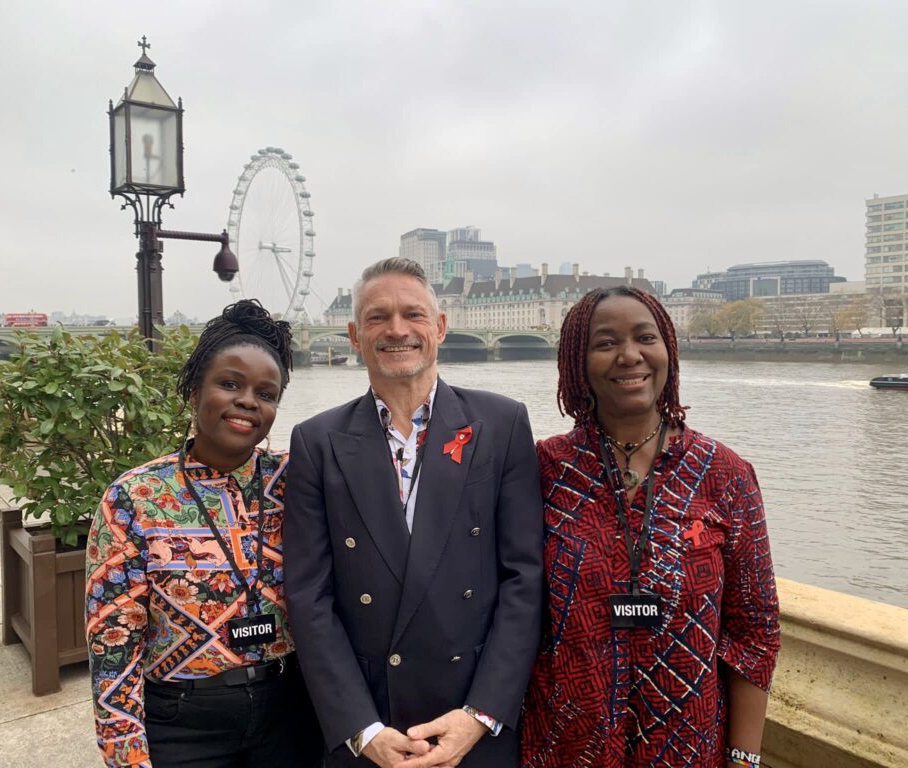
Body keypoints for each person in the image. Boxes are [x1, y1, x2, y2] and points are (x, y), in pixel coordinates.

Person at [284, 257, 543, 768]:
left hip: (474, 719)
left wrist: (481, 713)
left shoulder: (502, 423)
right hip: (370, 722)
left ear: (440, 327)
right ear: (355, 335)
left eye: (413, 315)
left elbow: (524, 578)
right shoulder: (315, 442)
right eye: (378, 317)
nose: (397, 330)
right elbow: (309, 596)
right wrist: (361, 728)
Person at [520, 286, 781, 768]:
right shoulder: (543, 470)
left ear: (669, 352)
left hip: (687, 746)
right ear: (577, 361)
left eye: (645, 337)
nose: (629, 356)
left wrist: (744, 760)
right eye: (604, 343)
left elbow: (754, 633)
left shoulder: (725, 474)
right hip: (565, 746)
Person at [85, 300, 323, 768]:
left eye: (266, 392)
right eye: (230, 384)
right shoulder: (135, 498)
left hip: (289, 712)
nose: (248, 401)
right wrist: (127, 755)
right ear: (195, 392)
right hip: (183, 723)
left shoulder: (298, 483)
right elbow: (113, 643)